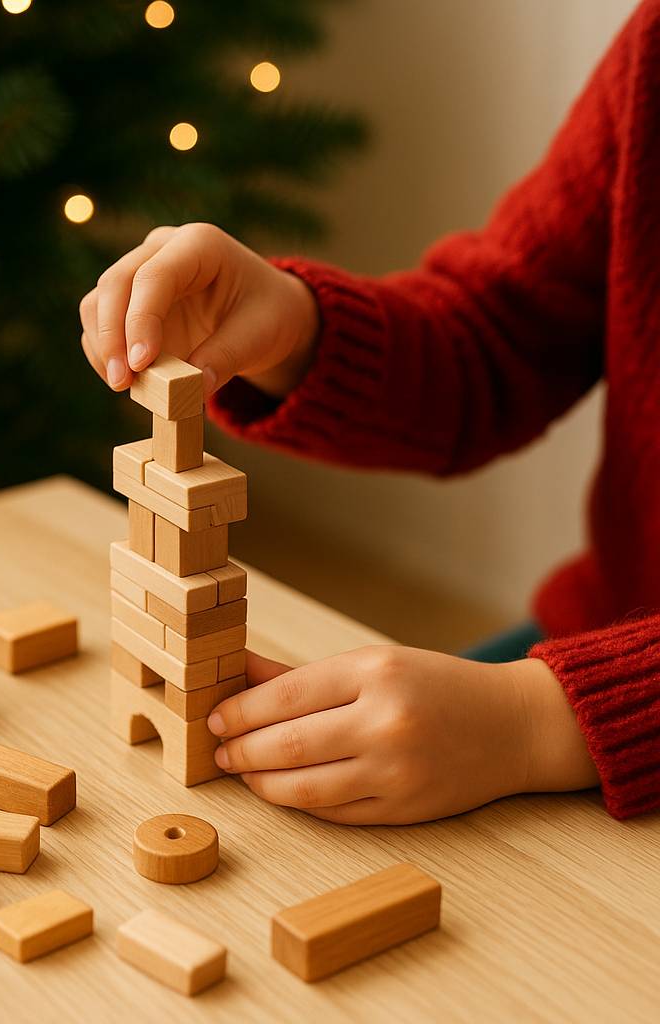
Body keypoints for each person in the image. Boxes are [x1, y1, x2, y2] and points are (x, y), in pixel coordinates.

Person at [78, 2, 660, 824]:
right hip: (592, 644)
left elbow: (523, 722)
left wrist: (534, 723)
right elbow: (499, 335)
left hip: (605, 706)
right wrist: (296, 329)